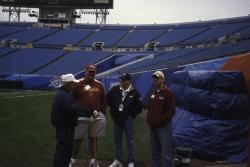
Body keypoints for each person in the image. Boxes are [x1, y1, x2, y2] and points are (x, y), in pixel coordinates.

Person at [51, 73, 98, 167]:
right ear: (68, 84)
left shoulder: (63, 93)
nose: (74, 85)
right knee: (63, 153)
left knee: (64, 152)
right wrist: (90, 111)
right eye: (73, 83)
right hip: (65, 128)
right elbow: (74, 108)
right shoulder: (65, 96)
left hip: (63, 127)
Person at [70, 64, 106, 167]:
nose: (91, 73)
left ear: (95, 73)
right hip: (81, 116)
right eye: (89, 71)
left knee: (94, 139)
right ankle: (72, 159)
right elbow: (72, 99)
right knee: (77, 139)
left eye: (93, 72)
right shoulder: (78, 84)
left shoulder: (100, 85)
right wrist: (75, 113)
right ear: (85, 71)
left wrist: (102, 113)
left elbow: (103, 101)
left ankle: (93, 160)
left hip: (95, 116)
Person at [106, 73, 143, 167]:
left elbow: (139, 107)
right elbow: (108, 99)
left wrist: (131, 115)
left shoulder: (135, 92)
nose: (121, 81)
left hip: (127, 119)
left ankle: (131, 161)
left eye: (123, 80)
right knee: (117, 140)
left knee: (129, 140)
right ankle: (118, 160)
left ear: (128, 81)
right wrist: (114, 110)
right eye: (121, 79)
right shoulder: (115, 89)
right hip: (117, 118)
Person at [147, 71, 176, 167]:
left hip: (163, 127)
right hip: (153, 127)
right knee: (155, 151)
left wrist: (160, 120)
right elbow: (150, 108)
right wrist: (150, 120)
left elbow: (171, 111)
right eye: (154, 77)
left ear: (162, 79)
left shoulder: (168, 93)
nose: (155, 79)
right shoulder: (153, 92)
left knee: (166, 152)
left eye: (157, 77)